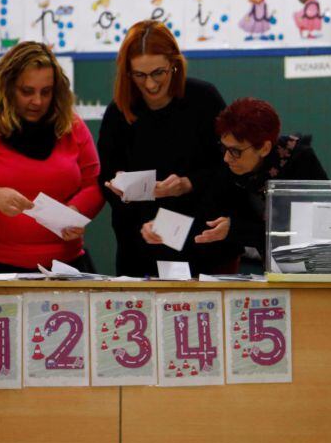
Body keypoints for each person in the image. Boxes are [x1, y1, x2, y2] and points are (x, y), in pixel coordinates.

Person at [98, 20, 238, 277]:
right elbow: (107, 180)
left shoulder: (203, 100)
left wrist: (188, 183)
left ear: (175, 64)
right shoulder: (118, 113)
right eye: (139, 75)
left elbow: (228, 168)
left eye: (158, 73)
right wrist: (140, 215)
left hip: (201, 247)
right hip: (140, 252)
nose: (150, 84)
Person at [0, 41, 104, 273]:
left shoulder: (71, 125)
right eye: (27, 91)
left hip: (65, 266)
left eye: (46, 92)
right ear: (7, 86)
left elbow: (94, 184)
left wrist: (77, 210)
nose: (37, 101)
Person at [186, 97, 327, 272]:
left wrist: (238, 230)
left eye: (235, 151)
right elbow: (206, 212)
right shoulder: (231, 165)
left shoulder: (300, 162)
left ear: (265, 148)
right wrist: (164, 227)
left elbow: (313, 232)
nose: (226, 157)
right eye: (224, 148)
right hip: (270, 271)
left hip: (312, 269)